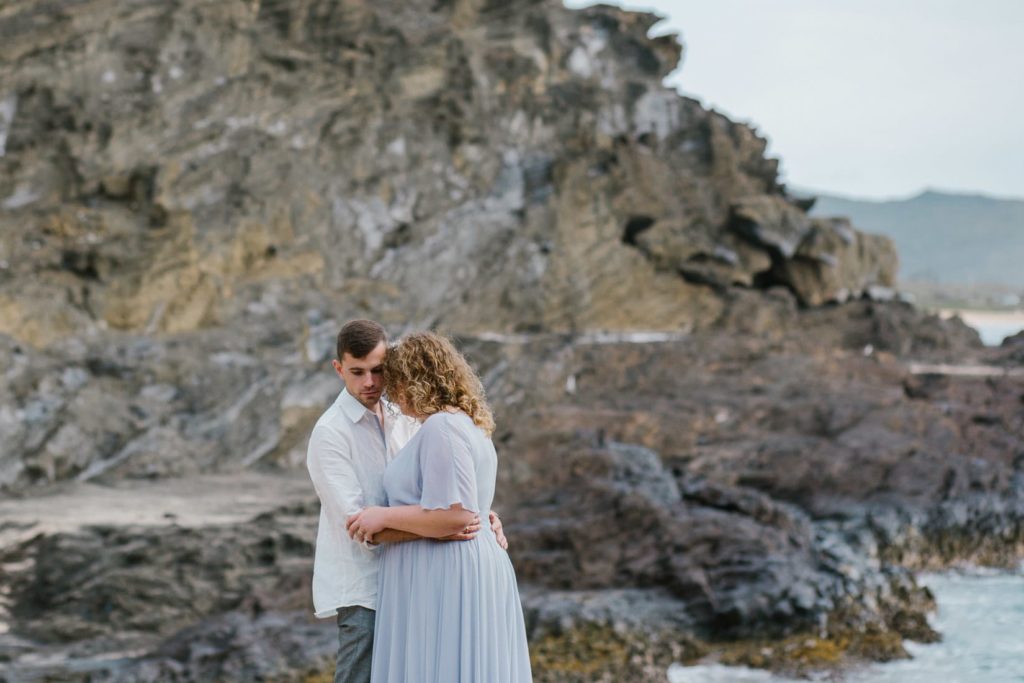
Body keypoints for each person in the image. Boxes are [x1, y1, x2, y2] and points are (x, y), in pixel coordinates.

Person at [306, 320, 507, 683]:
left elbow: (438, 488)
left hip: (419, 583)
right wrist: (445, 527)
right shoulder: (329, 434)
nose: (370, 382)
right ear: (339, 369)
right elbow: (362, 528)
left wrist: (479, 511)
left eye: (379, 370)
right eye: (357, 372)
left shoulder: (410, 415)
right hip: (367, 588)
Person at [346, 332, 532, 683]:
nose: (392, 397)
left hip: (447, 573)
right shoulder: (466, 424)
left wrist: (381, 516)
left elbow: (454, 515)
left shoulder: (442, 427)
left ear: (412, 381)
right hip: (458, 567)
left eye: (395, 384)